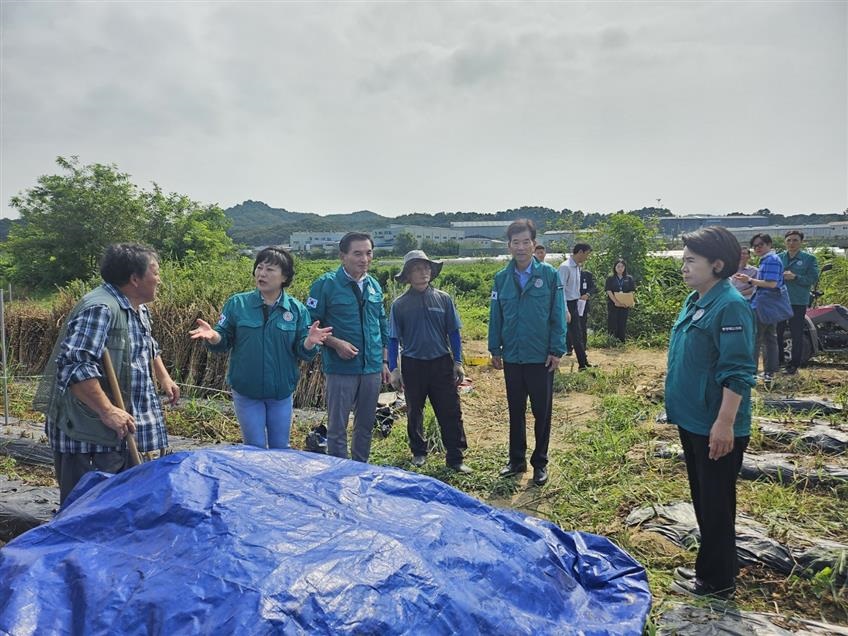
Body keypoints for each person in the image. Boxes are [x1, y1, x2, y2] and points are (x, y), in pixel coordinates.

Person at [34, 243, 180, 504]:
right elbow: (75, 365)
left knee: (120, 506)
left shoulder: (135, 307)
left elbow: (147, 345)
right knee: (88, 508)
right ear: (135, 279)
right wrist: (107, 410)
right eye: (155, 272)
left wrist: (164, 376)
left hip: (119, 432)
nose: (159, 279)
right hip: (90, 435)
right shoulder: (101, 309)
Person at [666, 226, 755, 600]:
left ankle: (717, 583)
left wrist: (724, 423)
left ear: (717, 264)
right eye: (683, 260)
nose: (684, 267)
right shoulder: (697, 299)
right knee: (704, 500)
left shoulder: (730, 305)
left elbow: (738, 371)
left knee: (717, 504)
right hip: (694, 420)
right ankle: (716, 568)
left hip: (714, 424)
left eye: (691, 261)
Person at [189, 247, 331, 448]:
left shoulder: (296, 309)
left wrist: (309, 342)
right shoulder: (238, 304)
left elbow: (303, 352)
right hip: (247, 391)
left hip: (281, 392)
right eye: (259, 268)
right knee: (254, 447)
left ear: (284, 277)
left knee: (280, 447)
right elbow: (223, 340)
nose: (262, 273)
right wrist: (213, 336)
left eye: (270, 269)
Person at [488, 219, 566, 486]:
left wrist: (556, 349)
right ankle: (516, 460)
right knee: (515, 409)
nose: (521, 247)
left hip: (541, 357)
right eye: (516, 242)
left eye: (526, 242)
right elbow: (496, 316)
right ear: (509, 246)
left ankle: (540, 463)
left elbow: (557, 314)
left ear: (534, 244)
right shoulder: (501, 278)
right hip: (513, 356)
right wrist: (494, 348)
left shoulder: (549, 275)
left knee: (542, 412)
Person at [306, 232, 390, 462]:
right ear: (342, 256)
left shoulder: (373, 285)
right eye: (357, 254)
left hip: (371, 367)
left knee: (365, 424)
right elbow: (309, 325)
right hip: (341, 368)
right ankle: (339, 472)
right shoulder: (325, 285)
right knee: (337, 426)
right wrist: (335, 343)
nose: (364, 259)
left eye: (368, 253)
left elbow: (382, 324)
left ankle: (360, 468)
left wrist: (384, 361)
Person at [387, 250, 470, 473]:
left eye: (426, 268)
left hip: (441, 362)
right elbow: (393, 339)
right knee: (414, 411)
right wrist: (394, 369)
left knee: (450, 410)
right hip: (413, 364)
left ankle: (455, 457)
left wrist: (458, 362)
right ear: (407, 275)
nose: (423, 272)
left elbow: (453, 332)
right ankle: (419, 452)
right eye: (417, 269)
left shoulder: (443, 299)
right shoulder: (400, 305)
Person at [733, 233, 783, 383]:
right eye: (755, 246)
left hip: (764, 305)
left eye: (761, 245)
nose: (758, 248)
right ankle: (769, 373)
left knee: (756, 339)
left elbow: (772, 283)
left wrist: (749, 280)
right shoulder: (768, 260)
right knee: (769, 338)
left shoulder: (771, 260)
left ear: (769, 244)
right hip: (769, 304)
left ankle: (752, 372)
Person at [777, 230, 819, 375]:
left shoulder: (809, 259)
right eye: (788, 240)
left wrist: (795, 277)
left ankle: (794, 365)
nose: (791, 243)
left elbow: (812, 279)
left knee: (796, 333)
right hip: (779, 301)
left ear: (801, 242)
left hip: (798, 301)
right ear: (785, 242)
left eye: (795, 240)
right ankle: (779, 362)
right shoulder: (778, 258)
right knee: (778, 332)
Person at [558, 243, 593, 370]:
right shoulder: (565, 267)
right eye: (587, 254)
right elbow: (560, 290)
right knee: (562, 333)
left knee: (577, 334)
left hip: (575, 303)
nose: (587, 257)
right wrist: (565, 310)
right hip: (566, 304)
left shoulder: (577, 267)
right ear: (580, 252)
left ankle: (583, 363)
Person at [605, 259, 636, 343]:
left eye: (622, 266)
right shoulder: (610, 278)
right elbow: (608, 291)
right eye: (618, 266)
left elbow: (631, 291)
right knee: (612, 322)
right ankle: (612, 341)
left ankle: (621, 341)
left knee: (622, 322)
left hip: (624, 304)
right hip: (613, 304)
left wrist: (629, 301)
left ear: (624, 268)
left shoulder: (629, 278)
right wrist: (616, 302)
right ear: (615, 267)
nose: (620, 268)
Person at [578, 269, 598, 348]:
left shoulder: (587, 274)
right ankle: (568, 347)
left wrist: (587, 294)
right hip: (571, 302)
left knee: (582, 324)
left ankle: (583, 345)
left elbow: (593, 287)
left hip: (583, 302)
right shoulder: (568, 272)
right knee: (570, 323)